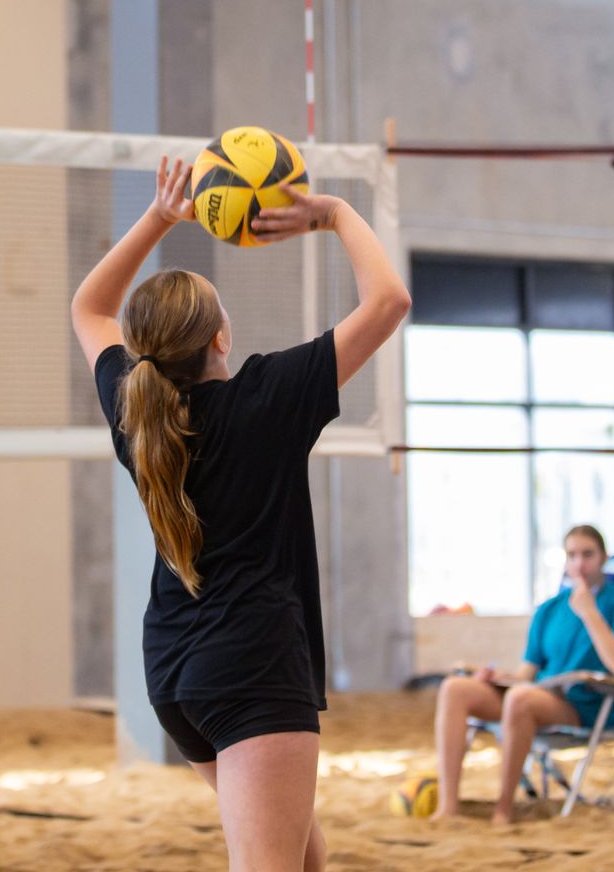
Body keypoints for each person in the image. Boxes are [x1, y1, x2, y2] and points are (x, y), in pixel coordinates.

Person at [71, 159, 409, 872]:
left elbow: (89, 309)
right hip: (251, 668)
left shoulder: (135, 407)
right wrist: (336, 214)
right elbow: (388, 303)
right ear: (220, 338)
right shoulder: (265, 397)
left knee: (302, 862)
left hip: (173, 674)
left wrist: (160, 217)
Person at [429, 524, 614, 825]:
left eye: (588, 554)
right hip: (540, 692)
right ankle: (448, 805)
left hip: (586, 703)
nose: (579, 563)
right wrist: (498, 677)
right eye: (572, 555)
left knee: (521, 699)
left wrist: (589, 613)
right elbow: (526, 673)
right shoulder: (550, 609)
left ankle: (504, 808)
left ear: (604, 558)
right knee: (456, 688)